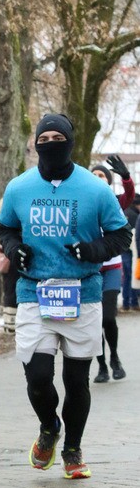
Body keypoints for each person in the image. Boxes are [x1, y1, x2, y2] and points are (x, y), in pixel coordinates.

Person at [0, 114, 131, 479]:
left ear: (70, 141)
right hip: (34, 291)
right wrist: (14, 247)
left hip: (82, 293)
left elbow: (121, 235)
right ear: (36, 143)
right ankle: (48, 427)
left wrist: (91, 250)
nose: (51, 143)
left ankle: (72, 448)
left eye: (59, 137)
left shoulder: (95, 189)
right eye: (45, 137)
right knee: (38, 376)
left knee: (76, 381)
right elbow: (6, 226)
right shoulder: (19, 187)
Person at [90, 156, 135, 380]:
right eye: (94, 175)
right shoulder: (84, 202)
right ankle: (101, 366)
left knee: (108, 317)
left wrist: (125, 177)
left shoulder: (114, 202)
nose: (98, 178)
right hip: (89, 269)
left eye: (102, 175)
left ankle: (115, 358)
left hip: (111, 267)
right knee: (94, 320)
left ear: (108, 181)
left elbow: (130, 197)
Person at [123, 195, 140, 310]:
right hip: (132, 250)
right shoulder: (135, 216)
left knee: (127, 276)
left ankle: (125, 302)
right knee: (133, 275)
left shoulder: (124, 212)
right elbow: (136, 237)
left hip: (122, 249)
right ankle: (133, 302)